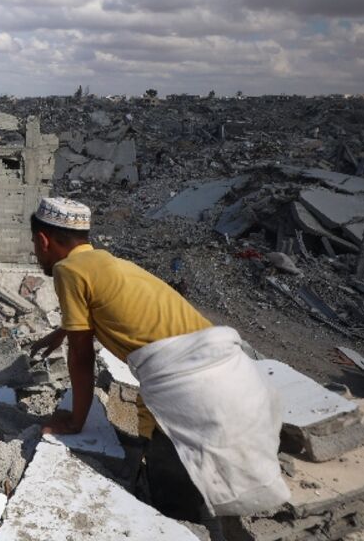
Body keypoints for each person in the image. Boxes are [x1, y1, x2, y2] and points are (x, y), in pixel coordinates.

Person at [28, 197, 216, 522]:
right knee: (167, 449)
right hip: (215, 362)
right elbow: (98, 311)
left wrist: (75, 422)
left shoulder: (66, 270)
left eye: (35, 244)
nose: (36, 253)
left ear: (43, 240)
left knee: (173, 494)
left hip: (190, 385)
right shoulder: (106, 262)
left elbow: (82, 355)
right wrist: (61, 333)